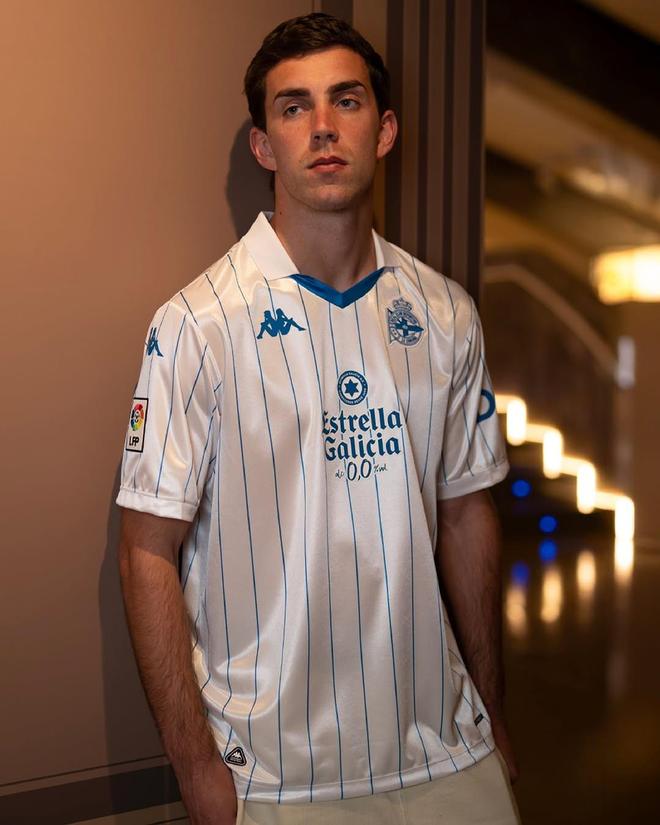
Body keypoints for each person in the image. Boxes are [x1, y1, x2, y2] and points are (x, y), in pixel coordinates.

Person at [117, 12, 521, 825]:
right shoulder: (197, 325)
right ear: (264, 145)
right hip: (272, 777)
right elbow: (145, 550)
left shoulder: (446, 313)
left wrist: (491, 712)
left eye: (347, 100)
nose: (324, 126)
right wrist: (197, 769)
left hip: (447, 756)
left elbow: (466, 514)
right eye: (294, 106)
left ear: (385, 130)